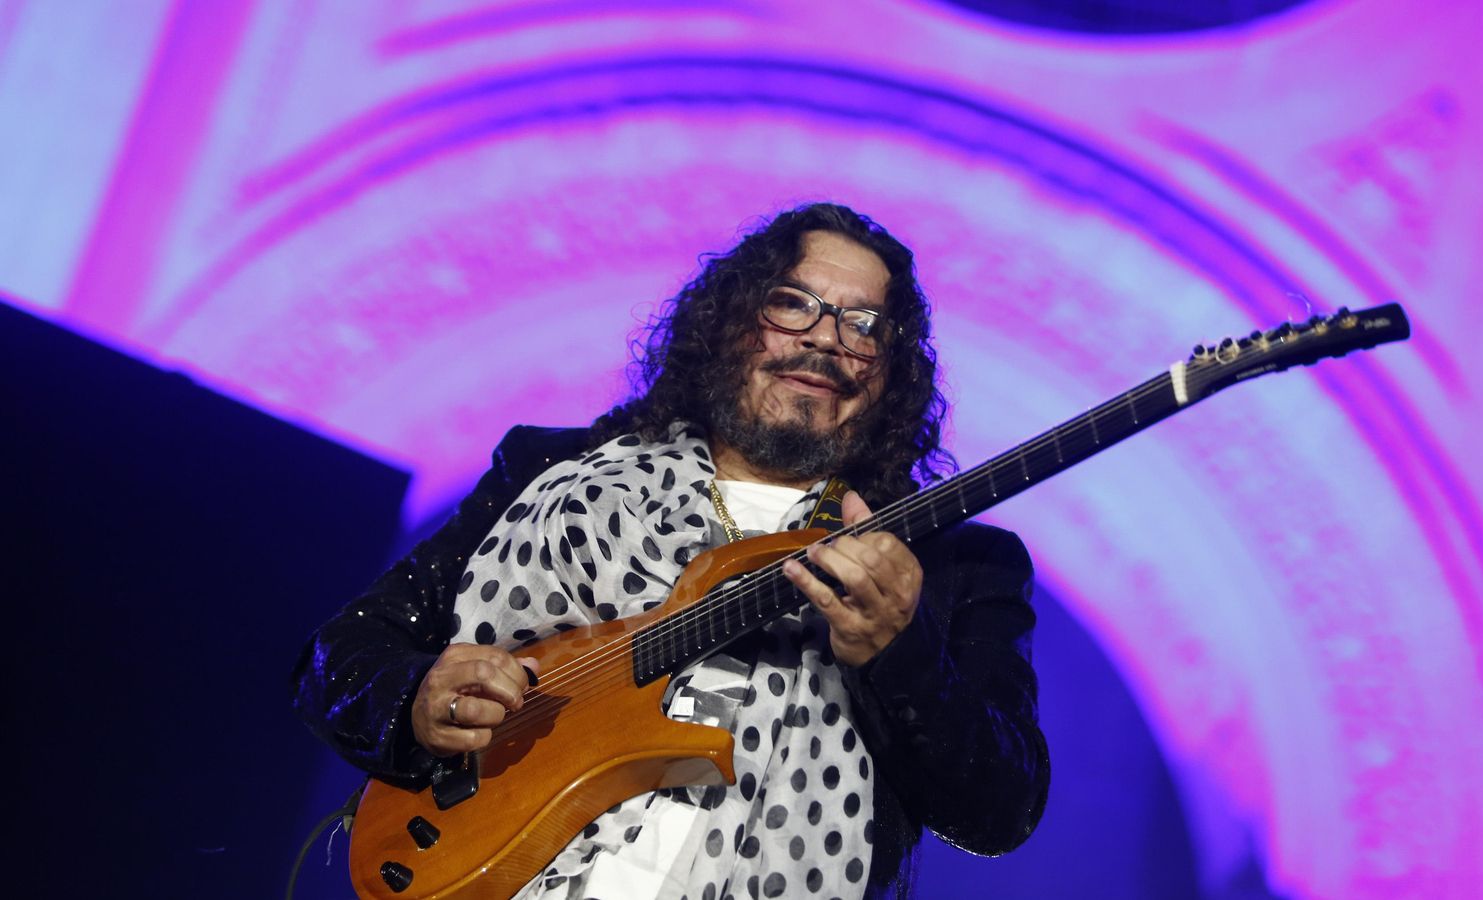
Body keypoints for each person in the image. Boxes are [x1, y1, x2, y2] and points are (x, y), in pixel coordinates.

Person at [291, 203, 1048, 900]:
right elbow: (343, 653)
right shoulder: (550, 472)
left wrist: (902, 651)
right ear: (729, 324)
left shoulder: (947, 565)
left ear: (890, 376)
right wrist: (419, 700)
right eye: (793, 303)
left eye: (863, 324)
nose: (825, 338)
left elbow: (1001, 811)